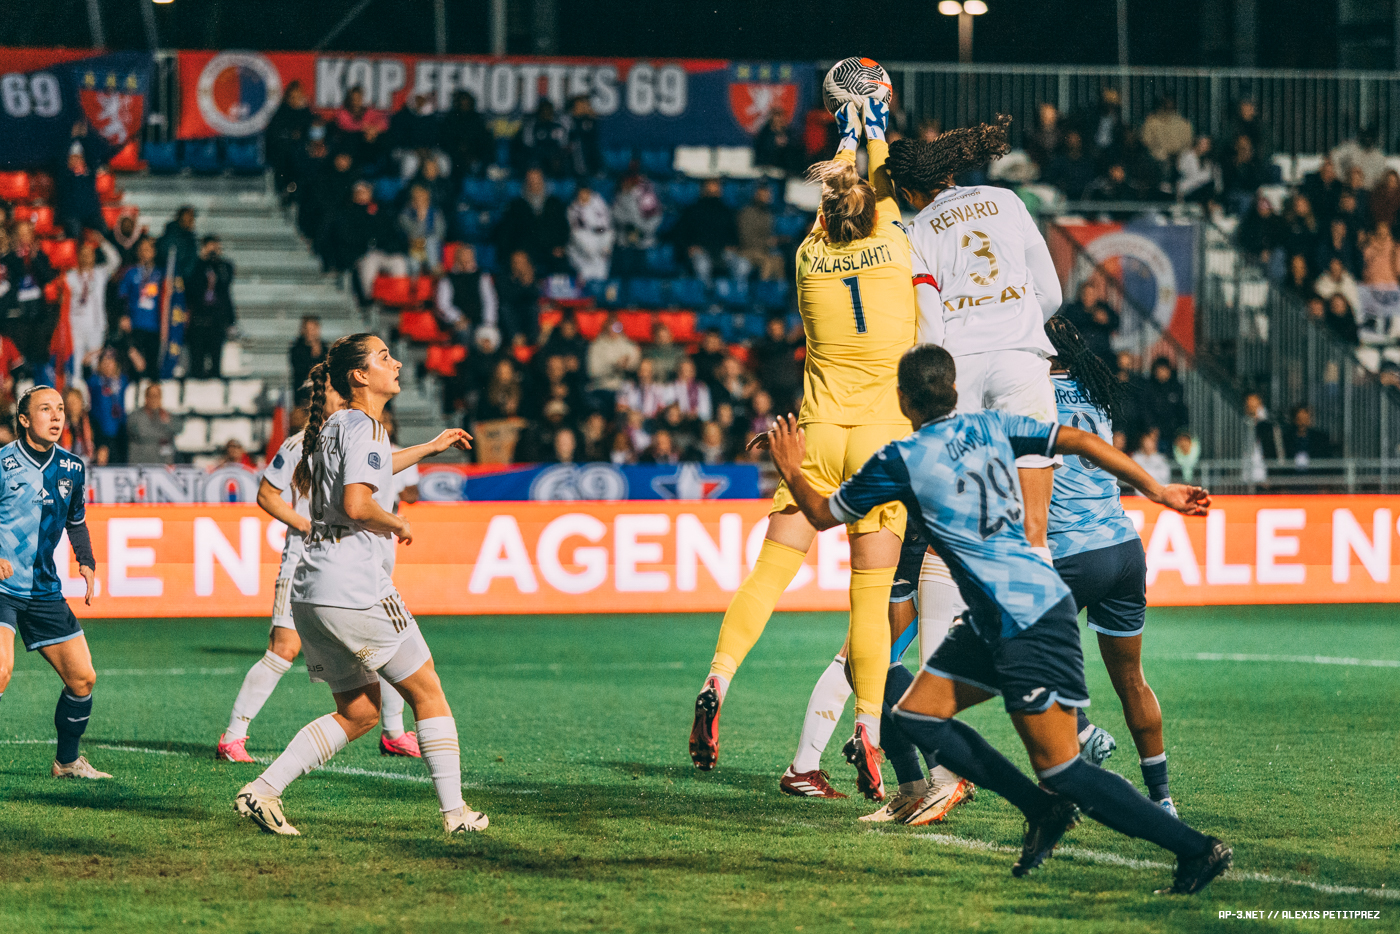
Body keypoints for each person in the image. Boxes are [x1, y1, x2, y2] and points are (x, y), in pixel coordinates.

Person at [766, 344, 1232, 894]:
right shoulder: (989, 426)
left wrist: (794, 470)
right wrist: (1156, 490)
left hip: (1024, 615)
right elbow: (1078, 440)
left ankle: (1195, 848)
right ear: (955, 391)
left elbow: (820, 514)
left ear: (902, 400)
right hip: (1010, 607)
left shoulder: (902, 459)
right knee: (914, 714)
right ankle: (1041, 810)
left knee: (1062, 770)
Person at [690, 98, 915, 800]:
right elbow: (878, 182)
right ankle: (870, 732)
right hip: (882, 439)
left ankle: (717, 678)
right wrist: (871, 118)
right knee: (870, 599)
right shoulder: (897, 245)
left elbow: (846, 199)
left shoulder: (808, 257)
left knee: (768, 574)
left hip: (813, 432)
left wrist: (849, 129)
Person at [233, 334, 486, 837]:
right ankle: (456, 814)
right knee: (428, 691)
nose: (395, 363)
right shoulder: (365, 425)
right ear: (359, 376)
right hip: (355, 588)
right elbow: (356, 503)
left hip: (312, 590)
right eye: (384, 357)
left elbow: (371, 466)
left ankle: (262, 790)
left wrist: (431, 447)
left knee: (361, 711)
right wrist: (397, 523)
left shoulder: (334, 426)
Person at [888, 113, 1064, 723]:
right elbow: (1054, 293)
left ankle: (946, 656)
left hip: (959, 367)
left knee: (952, 517)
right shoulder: (1007, 200)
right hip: (1021, 358)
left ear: (911, 189)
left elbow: (930, 324)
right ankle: (1039, 647)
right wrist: (1016, 324)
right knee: (1034, 518)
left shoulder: (918, 228)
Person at [216, 366, 419, 763]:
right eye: (332, 393)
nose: (340, 398)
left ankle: (393, 731)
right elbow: (267, 495)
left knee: (392, 644)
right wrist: (306, 524)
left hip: (363, 563)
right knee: (283, 648)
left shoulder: (366, 436)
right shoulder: (300, 444)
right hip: (308, 562)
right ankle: (233, 735)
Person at [1043, 316, 1183, 812]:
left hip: (1068, 553)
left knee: (1016, 651)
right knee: (1132, 681)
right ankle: (1163, 798)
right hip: (1122, 547)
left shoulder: (1029, 390)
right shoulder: (1093, 389)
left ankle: (1079, 738)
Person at [0, 387, 103, 779]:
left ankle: (67, 762)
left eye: (60, 409)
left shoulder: (73, 467)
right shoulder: (3, 462)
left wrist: (87, 562)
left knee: (83, 678)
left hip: (44, 590)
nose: (56, 416)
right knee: (0, 669)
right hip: (3, 589)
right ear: (24, 420)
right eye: (45, 409)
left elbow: (76, 519)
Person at [64, 235, 121, 383]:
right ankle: (76, 394)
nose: (86, 257)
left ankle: (95, 395)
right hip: (75, 326)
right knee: (76, 364)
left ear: (94, 256)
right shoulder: (70, 277)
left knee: (95, 364)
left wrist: (102, 241)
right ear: (78, 256)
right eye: (83, 254)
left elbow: (116, 261)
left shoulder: (100, 273)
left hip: (96, 326)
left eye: (89, 254)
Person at [495, 168, 569, 275]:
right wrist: (517, 253)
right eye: (531, 181)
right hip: (526, 251)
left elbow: (563, 228)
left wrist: (560, 246)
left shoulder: (554, 203)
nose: (534, 184)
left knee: (562, 265)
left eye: (537, 181)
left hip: (550, 250)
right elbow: (507, 233)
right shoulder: (516, 206)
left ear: (543, 181)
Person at [674, 178, 747, 284]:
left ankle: (736, 296)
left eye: (717, 185)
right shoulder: (692, 210)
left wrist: (733, 245)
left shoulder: (727, 211)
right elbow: (680, 234)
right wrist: (689, 247)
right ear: (703, 188)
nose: (714, 187)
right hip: (701, 252)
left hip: (722, 253)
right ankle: (706, 296)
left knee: (743, 265)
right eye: (711, 184)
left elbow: (735, 236)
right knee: (702, 264)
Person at [187, 235, 237, 378]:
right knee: (197, 363)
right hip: (198, 320)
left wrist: (216, 262)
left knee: (216, 363)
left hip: (217, 320)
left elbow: (225, 283)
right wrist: (203, 261)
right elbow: (192, 286)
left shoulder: (223, 267)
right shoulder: (196, 266)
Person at [117, 236, 163, 377]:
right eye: (142, 250)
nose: (145, 253)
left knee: (152, 366)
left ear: (154, 252)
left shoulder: (160, 274)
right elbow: (122, 296)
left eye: (148, 249)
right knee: (134, 367)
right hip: (135, 325)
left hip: (154, 326)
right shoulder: (131, 273)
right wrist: (124, 316)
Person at [435, 245, 499, 341]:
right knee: (464, 332)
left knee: (489, 335)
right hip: (458, 323)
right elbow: (443, 305)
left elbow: (490, 301)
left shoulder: (483, 276)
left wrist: (488, 324)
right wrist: (458, 318)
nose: (466, 260)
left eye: (469, 257)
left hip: (481, 321)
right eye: (463, 257)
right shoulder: (447, 279)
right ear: (457, 258)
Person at [1059, 273, 1118, 366]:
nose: (1088, 297)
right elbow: (1069, 322)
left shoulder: (1103, 308)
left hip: (1102, 353)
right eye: (1086, 294)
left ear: (1096, 296)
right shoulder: (1073, 308)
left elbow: (1116, 322)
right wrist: (1092, 317)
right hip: (1079, 352)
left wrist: (1107, 320)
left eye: (1091, 294)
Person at [86, 349, 129, 464]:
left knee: (120, 463)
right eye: (104, 362)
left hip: (119, 431)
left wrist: (127, 349)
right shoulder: (95, 380)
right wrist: (97, 351)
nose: (107, 365)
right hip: (101, 431)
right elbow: (85, 364)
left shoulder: (122, 380)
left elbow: (141, 368)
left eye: (110, 361)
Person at [566, 184, 614, 283]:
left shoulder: (599, 203)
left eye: (586, 192)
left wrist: (603, 244)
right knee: (585, 281)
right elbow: (578, 234)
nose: (584, 196)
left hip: (600, 248)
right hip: (582, 253)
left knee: (609, 234)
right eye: (581, 193)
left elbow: (605, 229)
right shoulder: (573, 209)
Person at [124, 383, 183, 465]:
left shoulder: (166, 416)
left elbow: (179, 428)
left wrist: (167, 422)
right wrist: (165, 432)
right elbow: (142, 434)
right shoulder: (135, 416)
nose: (154, 399)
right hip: (141, 464)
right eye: (151, 396)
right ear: (146, 398)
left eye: (157, 396)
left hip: (162, 464)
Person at [737, 186, 785, 281]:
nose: (766, 198)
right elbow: (746, 239)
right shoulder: (747, 213)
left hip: (763, 250)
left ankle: (778, 292)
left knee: (778, 260)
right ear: (756, 195)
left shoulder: (768, 214)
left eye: (768, 195)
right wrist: (767, 242)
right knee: (767, 262)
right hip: (747, 250)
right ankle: (762, 290)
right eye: (763, 195)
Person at [289, 315, 327, 397]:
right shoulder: (296, 349)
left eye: (313, 329)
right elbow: (300, 370)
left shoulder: (325, 348)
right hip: (302, 396)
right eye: (308, 329)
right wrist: (314, 355)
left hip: (321, 396)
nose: (311, 333)